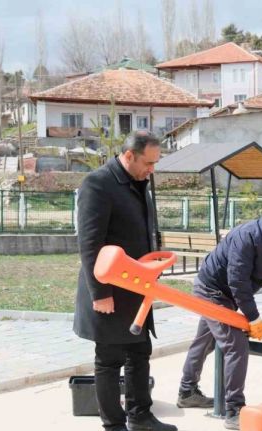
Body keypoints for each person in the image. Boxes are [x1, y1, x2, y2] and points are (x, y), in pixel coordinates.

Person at [74, 131, 177, 431]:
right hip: (111, 290)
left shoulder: (138, 182)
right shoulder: (98, 184)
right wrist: (100, 293)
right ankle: (114, 425)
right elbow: (90, 244)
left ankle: (140, 416)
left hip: (137, 288)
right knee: (109, 359)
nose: (152, 169)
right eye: (148, 163)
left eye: (155, 163)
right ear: (129, 155)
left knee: (139, 353)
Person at [176, 214, 262, 430]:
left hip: (229, 296)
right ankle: (234, 409)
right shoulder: (247, 236)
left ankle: (187, 392)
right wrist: (253, 318)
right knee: (236, 344)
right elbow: (237, 280)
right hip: (211, 289)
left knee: (205, 341)